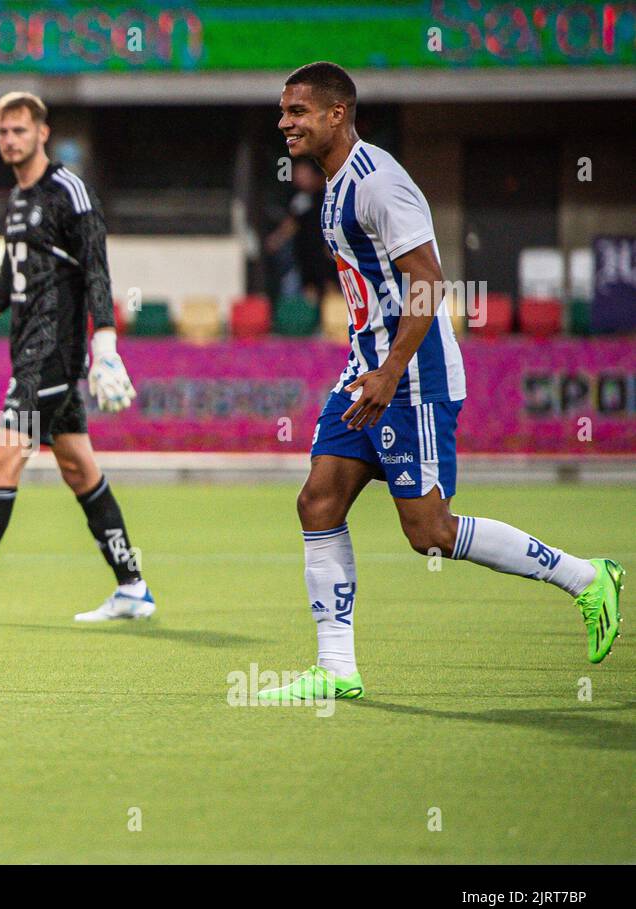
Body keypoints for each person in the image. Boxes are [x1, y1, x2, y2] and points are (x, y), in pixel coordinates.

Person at [259, 62, 623, 702]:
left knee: (429, 531)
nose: (284, 122)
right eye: (284, 112)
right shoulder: (335, 183)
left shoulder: (380, 184)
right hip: (365, 369)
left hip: (412, 377)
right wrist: (367, 366)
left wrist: (390, 370)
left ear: (337, 114)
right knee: (318, 501)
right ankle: (337, 669)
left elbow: (428, 281)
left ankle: (587, 578)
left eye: (297, 111)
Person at [0, 91, 154, 624]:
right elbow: (4, 283)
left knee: (3, 458)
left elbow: (97, 270)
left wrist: (104, 343)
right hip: (30, 353)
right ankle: (132, 586)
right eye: (2, 132)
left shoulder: (68, 191)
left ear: (42, 132)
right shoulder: (16, 199)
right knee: (79, 468)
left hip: (52, 355)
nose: (10, 140)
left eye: (19, 130)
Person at [264, 158, 336, 304]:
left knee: (331, 293)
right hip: (304, 256)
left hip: (326, 256)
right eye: (297, 174)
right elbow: (292, 223)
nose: (298, 178)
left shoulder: (328, 193)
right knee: (302, 293)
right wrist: (277, 239)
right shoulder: (299, 197)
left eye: (302, 173)